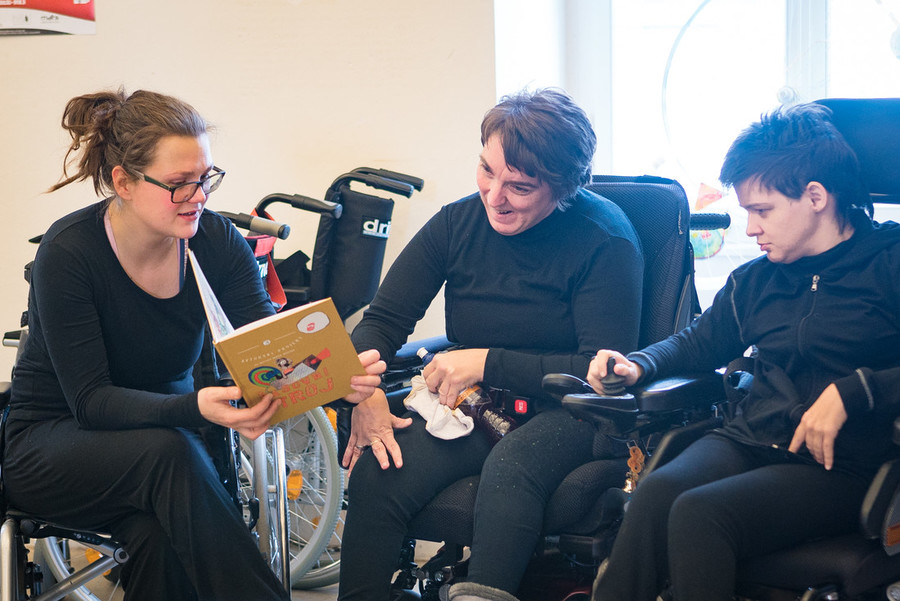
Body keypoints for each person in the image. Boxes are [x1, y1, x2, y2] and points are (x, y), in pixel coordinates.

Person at [1, 88, 385, 601]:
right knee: (173, 452)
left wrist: (342, 381)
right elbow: (91, 402)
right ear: (124, 182)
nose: (199, 196)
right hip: (52, 448)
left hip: (160, 457)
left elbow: (274, 349)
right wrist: (194, 407)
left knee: (161, 536)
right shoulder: (70, 252)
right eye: (180, 184)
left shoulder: (215, 241)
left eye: (205, 178)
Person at [337, 88, 644, 601]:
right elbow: (384, 321)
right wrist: (363, 391)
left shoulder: (604, 241)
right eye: (486, 170)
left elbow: (599, 372)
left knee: (512, 470)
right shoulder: (457, 223)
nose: (494, 196)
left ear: (565, 188)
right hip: (476, 402)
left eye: (519, 187)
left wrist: (484, 362)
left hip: (571, 410)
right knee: (380, 470)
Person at [587, 102, 900, 601]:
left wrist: (855, 392)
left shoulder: (888, 263)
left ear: (815, 197)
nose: (751, 228)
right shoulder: (756, 280)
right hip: (751, 437)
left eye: (762, 210)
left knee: (700, 513)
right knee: (656, 494)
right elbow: (698, 342)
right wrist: (639, 364)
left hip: (841, 466)